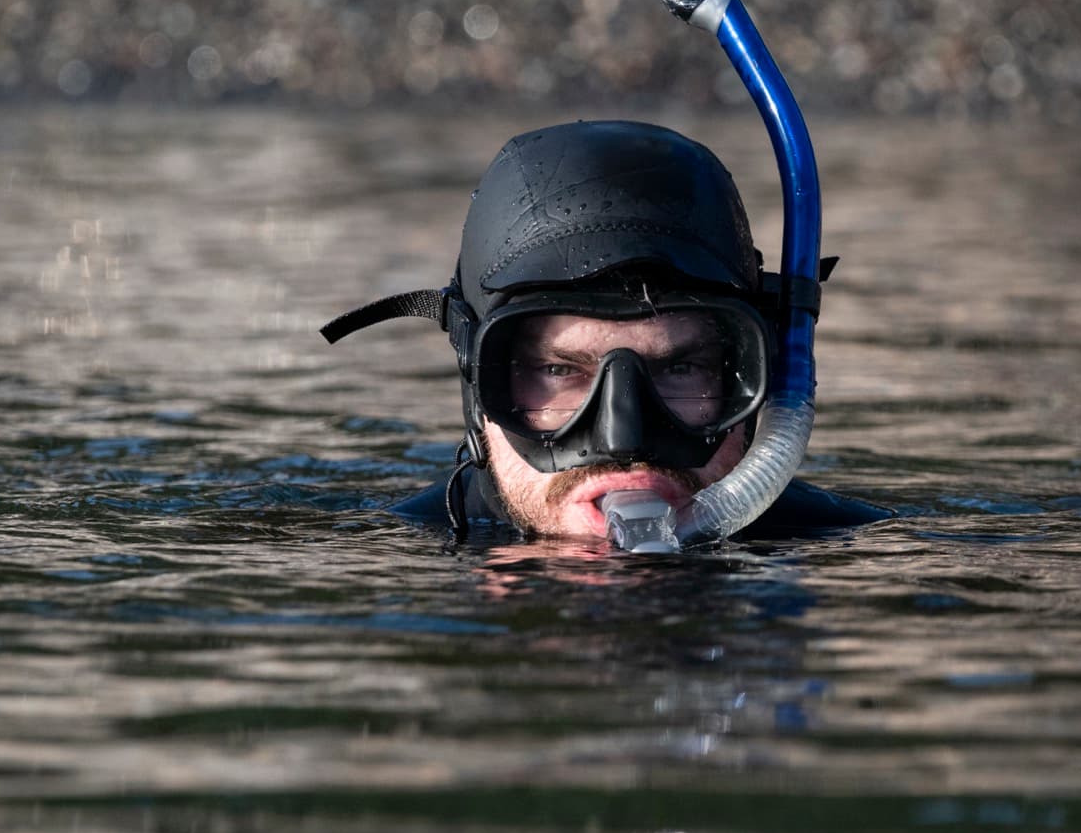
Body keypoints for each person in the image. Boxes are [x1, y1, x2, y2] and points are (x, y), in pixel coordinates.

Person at [322, 119, 889, 541]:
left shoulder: (873, 549)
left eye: (681, 368)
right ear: (477, 389)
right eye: (558, 370)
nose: (625, 439)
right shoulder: (368, 554)